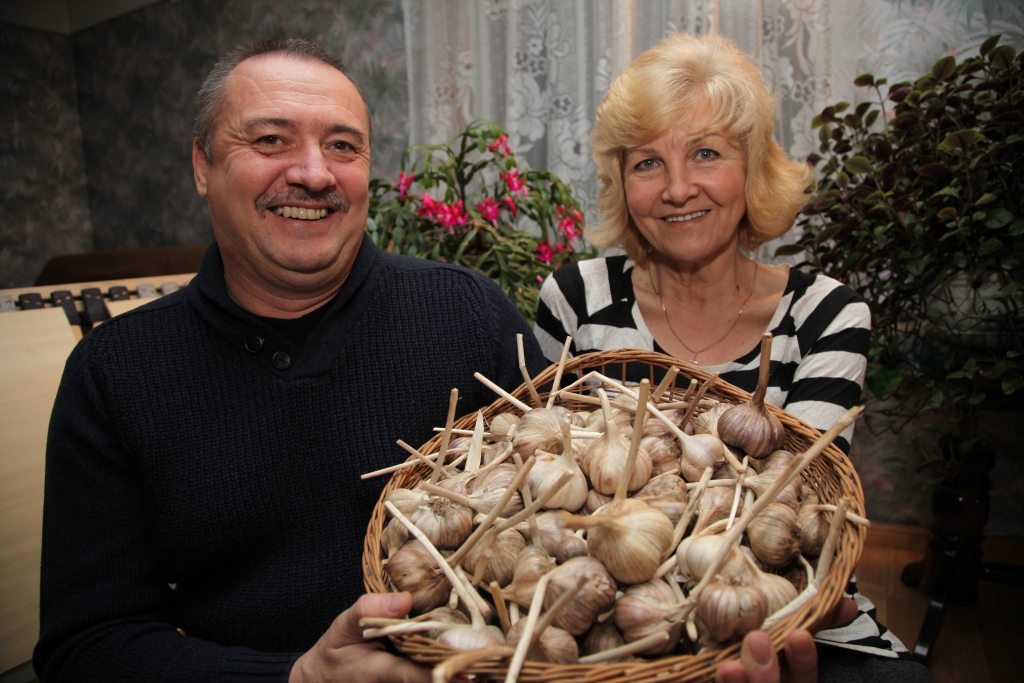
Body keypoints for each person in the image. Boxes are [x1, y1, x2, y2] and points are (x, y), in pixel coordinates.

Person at [33, 38, 546, 683]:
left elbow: (568, 519)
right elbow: (87, 646)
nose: (314, 172)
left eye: (342, 145)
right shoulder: (115, 372)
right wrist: (297, 679)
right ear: (202, 164)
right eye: (272, 140)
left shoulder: (470, 317)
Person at [535, 34, 934, 682]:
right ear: (620, 182)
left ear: (751, 168)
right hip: (615, 628)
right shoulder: (577, 298)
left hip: (790, 608)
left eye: (706, 153)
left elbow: (789, 510)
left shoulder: (825, 314)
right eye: (646, 163)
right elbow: (545, 479)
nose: (677, 188)